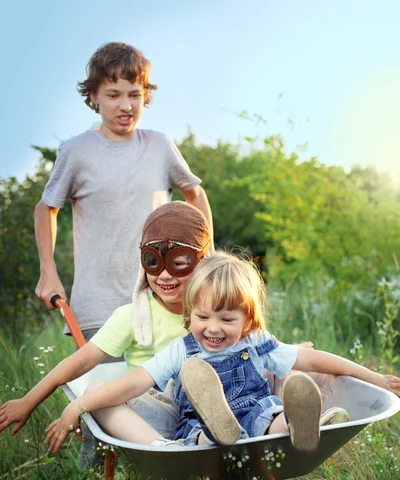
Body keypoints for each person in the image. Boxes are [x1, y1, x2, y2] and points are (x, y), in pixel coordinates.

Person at [43, 252, 400, 453]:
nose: (213, 328)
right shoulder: (180, 351)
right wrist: (80, 403)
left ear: (247, 320)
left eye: (227, 319)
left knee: (271, 418)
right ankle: (218, 431)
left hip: (256, 414)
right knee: (200, 433)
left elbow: (315, 359)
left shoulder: (258, 341)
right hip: (203, 424)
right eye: (202, 317)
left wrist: (372, 376)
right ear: (189, 314)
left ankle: (298, 423)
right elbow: (134, 383)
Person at [34, 41, 213, 339]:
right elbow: (46, 209)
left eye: (135, 95)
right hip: (98, 305)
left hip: (162, 298)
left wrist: (208, 254)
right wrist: (48, 271)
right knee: (109, 385)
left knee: (170, 382)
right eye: (113, 95)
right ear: (94, 96)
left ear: (146, 96)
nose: (126, 105)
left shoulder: (159, 146)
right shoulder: (76, 151)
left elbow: (195, 195)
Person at [0, 202, 210, 453]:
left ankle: (234, 432)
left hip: (208, 409)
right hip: (155, 417)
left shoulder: (216, 313)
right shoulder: (132, 316)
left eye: (178, 262)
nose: (164, 275)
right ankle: (165, 450)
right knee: (95, 392)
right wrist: (28, 401)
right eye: (152, 262)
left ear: (202, 262)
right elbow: (80, 362)